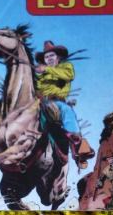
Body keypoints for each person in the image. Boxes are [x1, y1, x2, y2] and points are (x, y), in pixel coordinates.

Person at [34, 40, 94, 169]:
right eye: (46, 57)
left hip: (56, 103)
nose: (49, 58)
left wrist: (47, 69)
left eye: (52, 55)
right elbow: (35, 87)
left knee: (66, 110)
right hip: (39, 103)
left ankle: (78, 146)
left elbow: (69, 75)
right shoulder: (41, 75)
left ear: (58, 57)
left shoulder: (66, 67)